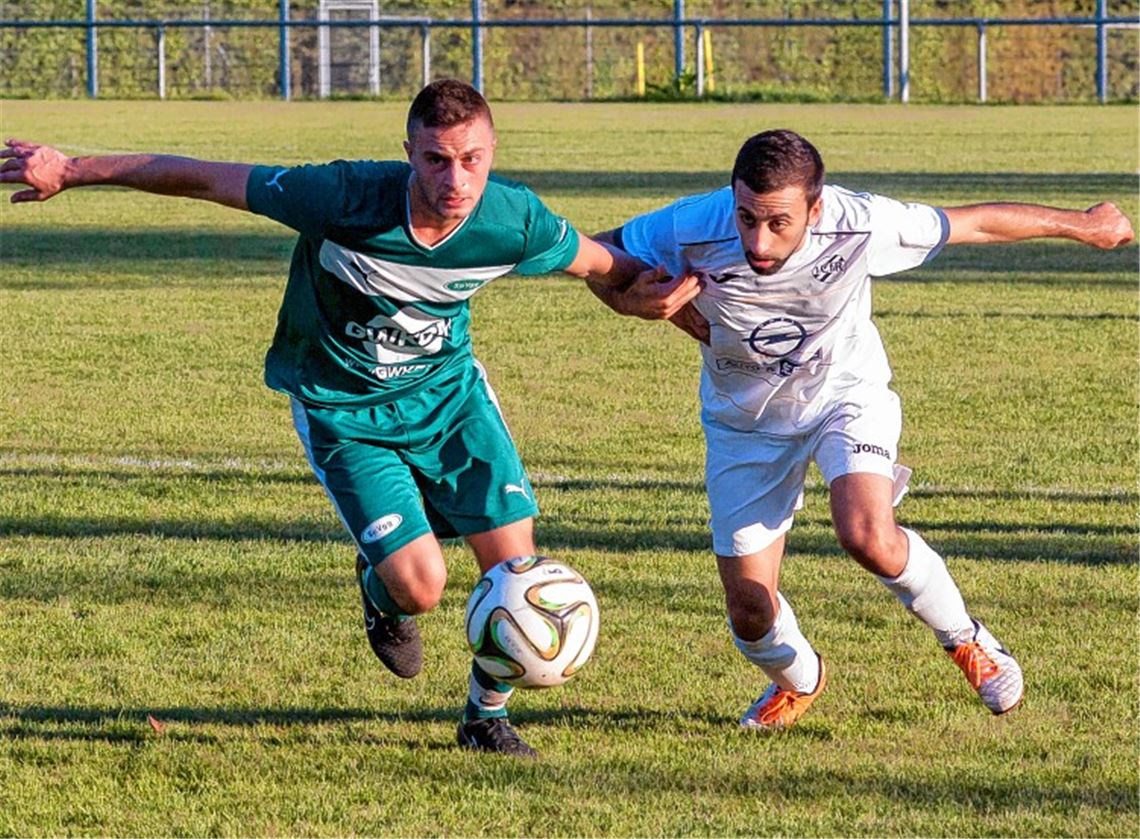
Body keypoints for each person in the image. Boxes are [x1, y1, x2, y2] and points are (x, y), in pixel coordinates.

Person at [0, 79, 699, 758]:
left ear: (493, 153)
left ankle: (484, 717)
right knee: (420, 587)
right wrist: (72, 169)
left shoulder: (512, 219)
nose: (455, 179)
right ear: (408, 152)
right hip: (344, 409)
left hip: (450, 402)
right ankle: (380, 593)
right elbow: (206, 177)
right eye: (435, 159)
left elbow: (610, 267)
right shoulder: (341, 198)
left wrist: (657, 300)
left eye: (472, 159)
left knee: (516, 568)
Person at [592, 128, 1134, 730]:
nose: (757, 240)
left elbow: (973, 223)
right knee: (749, 612)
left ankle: (964, 639)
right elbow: (593, 255)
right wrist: (624, 300)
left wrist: (1084, 224)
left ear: (815, 209)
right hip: (744, 423)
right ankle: (799, 679)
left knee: (866, 533)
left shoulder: (861, 222)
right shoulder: (690, 225)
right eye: (746, 217)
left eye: (778, 222)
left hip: (843, 395)